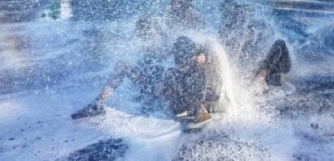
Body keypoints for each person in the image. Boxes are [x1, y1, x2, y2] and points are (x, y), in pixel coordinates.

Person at [72, 32, 222, 129]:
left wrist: (197, 110)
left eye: (180, 55)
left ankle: (99, 105)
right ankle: (98, 103)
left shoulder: (197, 66)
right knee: (122, 65)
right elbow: (168, 56)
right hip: (156, 87)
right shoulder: (185, 56)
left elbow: (200, 91)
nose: (177, 57)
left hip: (172, 99)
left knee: (171, 75)